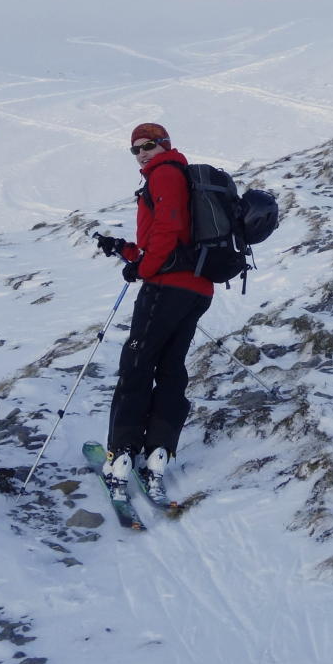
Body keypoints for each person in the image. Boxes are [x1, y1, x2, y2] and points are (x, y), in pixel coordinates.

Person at [91, 121, 213, 504]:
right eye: (136, 149)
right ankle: (158, 454)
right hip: (195, 288)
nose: (142, 153)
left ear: (165, 145)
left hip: (166, 289)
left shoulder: (165, 173)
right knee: (171, 368)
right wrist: (126, 251)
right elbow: (171, 240)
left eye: (148, 145)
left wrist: (143, 269)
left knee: (137, 366)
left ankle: (122, 456)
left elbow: (167, 229)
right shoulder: (181, 177)